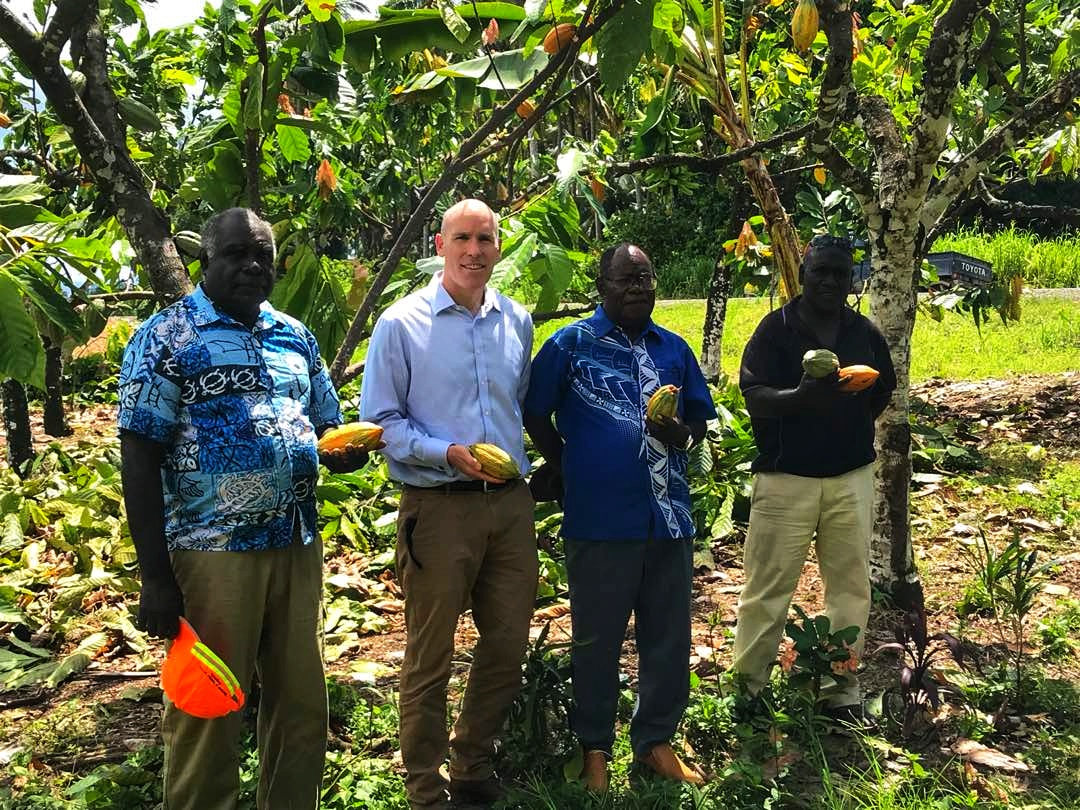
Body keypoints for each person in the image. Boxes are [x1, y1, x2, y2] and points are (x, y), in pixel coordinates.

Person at [118, 207, 371, 810]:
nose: (254, 266)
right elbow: (138, 457)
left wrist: (344, 450)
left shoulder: (293, 334)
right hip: (212, 553)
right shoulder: (168, 336)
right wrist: (154, 576)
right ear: (206, 260)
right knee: (209, 705)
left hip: (295, 542)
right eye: (237, 253)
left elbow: (326, 422)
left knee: (301, 703)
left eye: (263, 255)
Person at [359, 198, 537, 810]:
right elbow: (380, 422)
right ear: (439, 244)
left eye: (485, 239)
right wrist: (445, 451)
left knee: (507, 642)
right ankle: (424, 789)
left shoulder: (517, 320)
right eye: (462, 238)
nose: (475, 251)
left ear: (497, 246)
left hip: (509, 507)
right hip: (438, 507)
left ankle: (471, 764)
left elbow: (518, 403)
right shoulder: (401, 324)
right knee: (430, 652)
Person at [523, 243, 717, 793]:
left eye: (645, 278)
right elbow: (534, 409)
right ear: (601, 287)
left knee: (668, 638)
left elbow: (698, 424)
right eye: (625, 279)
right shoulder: (570, 345)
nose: (637, 288)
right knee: (598, 639)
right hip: (600, 520)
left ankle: (655, 740)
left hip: (668, 518)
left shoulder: (674, 349)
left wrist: (681, 435)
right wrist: (566, 462)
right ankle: (594, 748)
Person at [732, 234, 897, 718]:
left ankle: (837, 690)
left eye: (839, 274)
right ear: (803, 274)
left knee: (849, 589)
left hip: (850, 477)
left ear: (852, 281)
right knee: (767, 589)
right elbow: (755, 396)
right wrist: (803, 398)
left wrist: (847, 420)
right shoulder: (775, 330)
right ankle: (748, 692)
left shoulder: (862, 332)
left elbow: (879, 390)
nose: (829, 281)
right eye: (820, 271)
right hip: (786, 480)